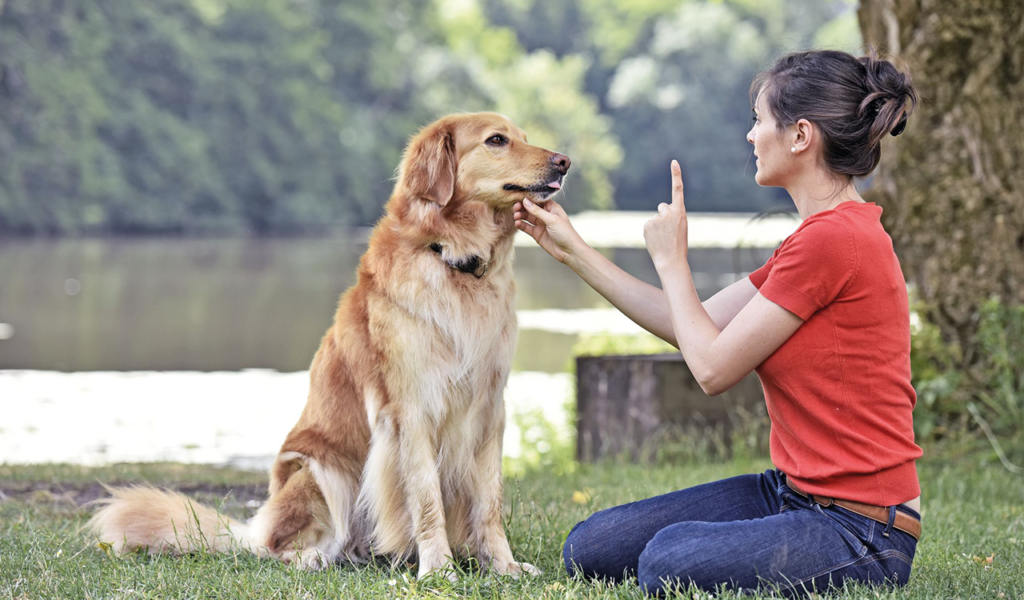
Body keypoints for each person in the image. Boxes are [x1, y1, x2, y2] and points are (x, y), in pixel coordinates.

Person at [513, 49, 923, 596]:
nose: (751, 136)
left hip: (863, 530)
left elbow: (709, 369)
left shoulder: (835, 241)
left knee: (666, 562)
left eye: (759, 120)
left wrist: (673, 262)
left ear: (801, 135)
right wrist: (573, 251)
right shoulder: (815, 239)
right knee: (589, 547)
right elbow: (695, 325)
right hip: (795, 493)